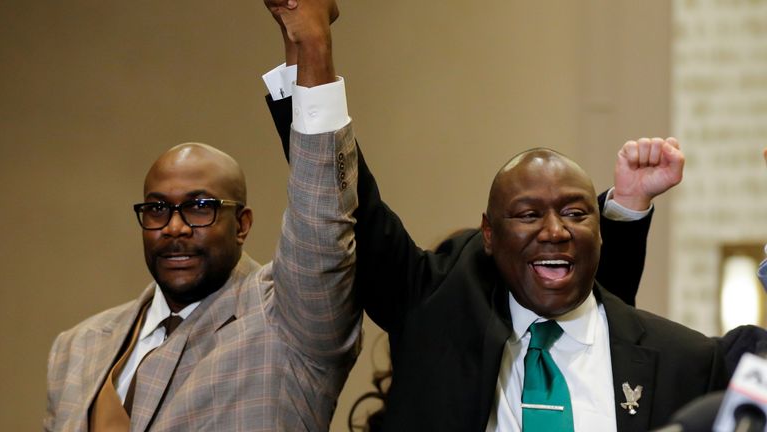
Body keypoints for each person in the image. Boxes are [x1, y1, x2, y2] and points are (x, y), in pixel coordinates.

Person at [264, 2, 727, 431]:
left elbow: (609, 287)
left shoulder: (686, 361)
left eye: (574, 212)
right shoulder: (438, 315)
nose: (554, 230)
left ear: (599, 230)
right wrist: (310, 45)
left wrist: (626, 207)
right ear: (489, 233)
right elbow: (348, 202)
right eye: (528, 214)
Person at [44, 2, 359, 431]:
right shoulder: (76, 348)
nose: (175, 227)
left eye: (200, 207)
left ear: (243, 224)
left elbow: (320, 216)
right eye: (157, 209)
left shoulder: (285, 323)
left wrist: (311, 43)